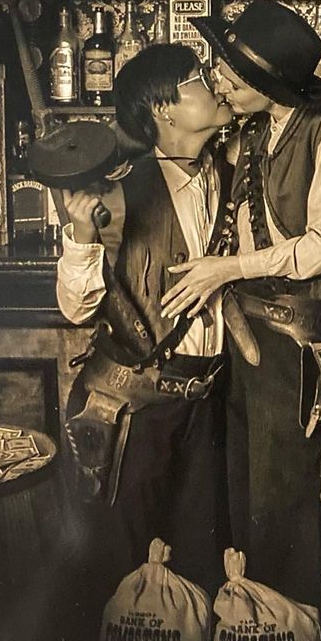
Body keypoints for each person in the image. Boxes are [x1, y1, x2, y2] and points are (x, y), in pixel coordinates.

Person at [161, 0, 321, 605]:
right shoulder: (254, 129)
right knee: (247, 500)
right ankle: (253, 627)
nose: (219, 83)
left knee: (288, 508)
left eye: (231, 75)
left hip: (298, 342)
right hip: (248, 339)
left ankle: (292, 629)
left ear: (269, 83)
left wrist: (228, 269)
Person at [56, 43, 234, 595]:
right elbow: (76, 308)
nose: (214, 85)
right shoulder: (118, 191)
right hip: (133, 409)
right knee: (125, 578)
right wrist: (81, 234)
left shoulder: (233, 176)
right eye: (197, 79)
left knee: (198, 576)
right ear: (163, 109)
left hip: (205, 405)